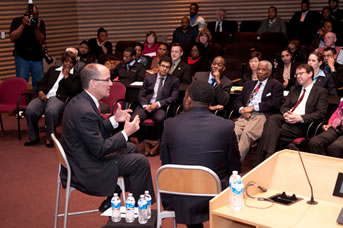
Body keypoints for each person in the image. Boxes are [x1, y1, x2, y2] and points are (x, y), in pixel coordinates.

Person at [60, 63, 155, 213]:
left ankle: (116, 198)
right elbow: (100, 149)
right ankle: (140, 211)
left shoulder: (82, 101)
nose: (112, 84)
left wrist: (114, 120)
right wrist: (126, 133)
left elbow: (93, 132)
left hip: (82, 156)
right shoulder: (85, 110)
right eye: (107, 80)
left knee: (131, 148)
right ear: (93, 83)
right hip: (86, 169)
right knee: (140, 162)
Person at [160, 80, 241, 228]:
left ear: (188, 99)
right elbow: (234, 166)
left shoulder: (169, 124)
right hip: (213, 195)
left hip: (178, 194)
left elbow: (165, 163)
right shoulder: (226, 126)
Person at [255, 64, 328, 165]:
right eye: (296, 74)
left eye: (301, 73)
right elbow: (284, 106)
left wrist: (300, 118)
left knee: (269, 133)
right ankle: (268, 158)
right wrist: (286, 113)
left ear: (310, 73)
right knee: (272, 119)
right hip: (288, 118)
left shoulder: (320, 91)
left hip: (303, 124)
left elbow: (320, 113)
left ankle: (264, 160)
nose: (298, 76)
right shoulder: (295, 89)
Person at [24, 51, 81, 148]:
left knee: (51, 111)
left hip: (60, 98)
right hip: (45, 96)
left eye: (71, 62)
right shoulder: (52, 70)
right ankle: (33, 137)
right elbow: (41, 83)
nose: (68, 64)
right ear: (62, 61)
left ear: (74, 64)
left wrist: (66, 77)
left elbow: (73, 90)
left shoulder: (76, 75)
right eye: (66, 61)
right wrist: (41, 92)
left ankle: (50, 138)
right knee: (30, 110)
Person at [234, 61, 283, 161]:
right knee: (233, 133)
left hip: (261, 115)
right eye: (258, 69)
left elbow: (275, 104)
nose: (260, 72)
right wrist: (242, 110)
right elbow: (238, 101)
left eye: (263, 70)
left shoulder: (275, 85)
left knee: (247, 134)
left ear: (269, 72)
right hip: (245, 114)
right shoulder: (249, 84)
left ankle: (234, 166)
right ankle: (225, 162)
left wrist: (253, 107)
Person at [131, 56, 179, 156]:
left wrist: (157, 104)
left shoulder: (174, 80)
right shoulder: (149, 78)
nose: (164, 69)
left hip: (160, 107)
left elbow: (173, 98)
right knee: (134, 118)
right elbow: (141, 94)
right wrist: (145, 105)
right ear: (158, 66)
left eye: (167, 67)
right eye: (162, 66)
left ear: (169, 68)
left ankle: (159, 143)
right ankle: (144, 142)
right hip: (146, 105)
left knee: (160, 118)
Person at [10, 4, 46, 92]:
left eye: (36, 14)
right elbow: (12, 38)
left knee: (39, 83)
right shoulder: (17, 21)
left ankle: (37, 103)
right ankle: (21, 102)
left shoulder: (39, 22)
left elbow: (41, 41)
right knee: (21, 82)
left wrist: (36, 28)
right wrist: (23, 25)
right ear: (26, 13)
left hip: (36, 57)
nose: (34, 16)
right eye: (32, 14)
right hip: (22, 56)